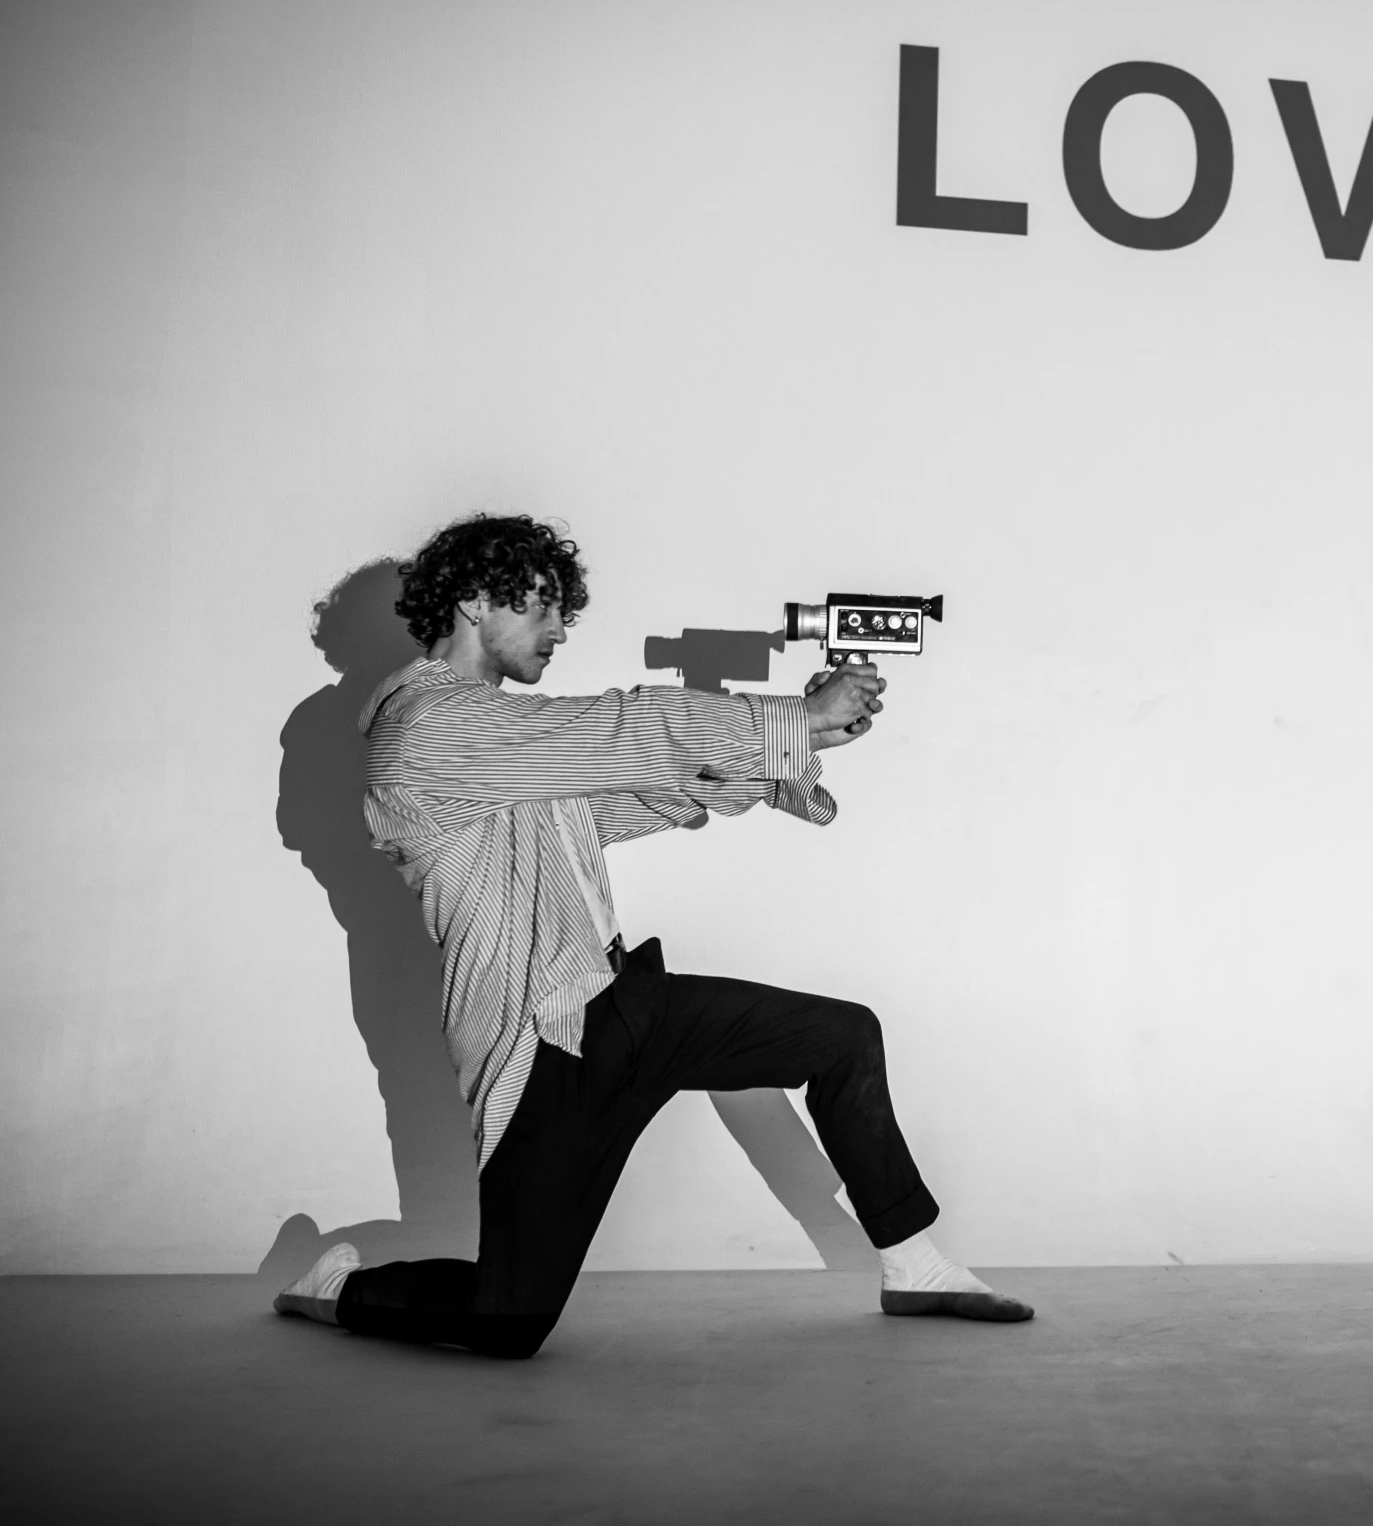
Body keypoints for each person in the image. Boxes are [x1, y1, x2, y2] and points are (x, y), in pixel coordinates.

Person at [272, 512, 1029, 1358]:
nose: (560, 631)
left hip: (615, 1003)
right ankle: (336, 1288)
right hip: (543, 1044)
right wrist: (788, 717)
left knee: (843, 1036)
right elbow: (618, 730)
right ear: (474, 600)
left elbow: (635, 792)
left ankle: (913, 1264)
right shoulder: (428, 728)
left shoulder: (507, 745)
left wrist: (796, 740)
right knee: (508, 1317)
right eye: (543, 607)